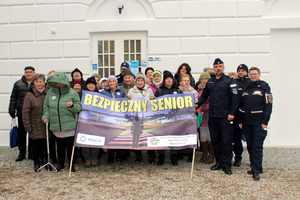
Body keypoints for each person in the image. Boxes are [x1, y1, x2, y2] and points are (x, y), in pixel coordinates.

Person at [196, 58, 239, 175]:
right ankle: (219, 162)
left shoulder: (230, 81)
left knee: (226, 141)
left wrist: (232, 113)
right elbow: (204, 96)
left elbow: (235, 99)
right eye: (216, 67)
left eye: (220, 66)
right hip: (213, 116)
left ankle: (227, 164)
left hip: (225, 117)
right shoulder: (210, 82)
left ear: (223, 67)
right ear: (213, 68)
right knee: (215, 141)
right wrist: (197, 105)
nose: (218, 68)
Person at [42, 73, 82, 173]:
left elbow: (79, 107)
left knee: (69, 147)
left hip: (69, 125)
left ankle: (71, 164)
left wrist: (72, 106)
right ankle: (61, 164)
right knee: (59, 147)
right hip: (56, 124)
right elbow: (46, 106)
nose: (57, 84)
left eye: (59, 83)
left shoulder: (72, 92)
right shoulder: (50, 92)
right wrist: (46, 116)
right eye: (55, 83)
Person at [239, 67, 272, 181]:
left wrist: (264, 122)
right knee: (250, 146)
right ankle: (255, 166)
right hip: (247, 122)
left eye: (255, 74)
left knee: (257, 146)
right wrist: (240, 121)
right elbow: (242, 105)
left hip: (258, 122)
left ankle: (256, 170)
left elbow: (268, 106)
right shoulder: (247, 88)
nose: (253, 76)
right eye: (251, 74)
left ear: (259, 75)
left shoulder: (264, 87)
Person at [155, 70, 183, 166]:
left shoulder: (178, 91)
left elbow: (183, 103)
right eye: (167, 78)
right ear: (164, 80)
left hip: (174, 119)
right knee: (161, 136)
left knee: (173, 136)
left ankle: (173, 156)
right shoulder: (160, 91)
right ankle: (161, 155)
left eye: (170, 78)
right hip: (162, 118)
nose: (169, 80)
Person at [22, 74, 48, 172]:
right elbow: (25, 112)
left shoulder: (48, 93)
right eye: (37, 81)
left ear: (44, 82)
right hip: (35, 124)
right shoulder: (29, 95)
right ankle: (36, 163)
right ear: (34, 83)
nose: (39, 83)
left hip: (45, 124)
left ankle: (46, 162)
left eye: (41, 81)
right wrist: (28, 126)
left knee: (46, 145)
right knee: (36, 146)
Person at [9, 66, 36, 162]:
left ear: (34, 73)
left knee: (32, 133)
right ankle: (22, 153)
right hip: (21, 112)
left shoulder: (37, 83)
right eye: (27, 72)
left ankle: (31, 153)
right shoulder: (18, 84)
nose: (28, 73)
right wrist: (12, 109)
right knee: (22, 134)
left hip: (33, 113)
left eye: (30, 72)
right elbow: (13, 97)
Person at [127, 73, 155, 164]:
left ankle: (151, 157)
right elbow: (127, 104)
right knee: (137, 137)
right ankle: (138, 156)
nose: (139, 82)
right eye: (138, 80)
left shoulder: (149, 90)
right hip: (137, 117)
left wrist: (153, 99)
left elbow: (153, 103)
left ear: (144, 81)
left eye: (141, 80)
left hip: (147, 117)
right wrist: (127, 98)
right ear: (136, 81)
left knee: (149, 136)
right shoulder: (131, 91)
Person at [100, 75, 126, 164]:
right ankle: (110, 157)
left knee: (119, 136)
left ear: (116, 82)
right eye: (110, 81)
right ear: (107, 83)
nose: (112, 83)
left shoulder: (121, 92)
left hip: (119, 118)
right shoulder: (103, 92)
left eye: (113, 81)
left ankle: (118, 156)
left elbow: (125, 104)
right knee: (110, 137)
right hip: (109, 118)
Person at [232, 64, 251, 167]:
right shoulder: (235, 83)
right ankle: (238, 158)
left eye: (243, 70)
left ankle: (253, 159)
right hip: (237, 114)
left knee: (250, 139)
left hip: (248, 115)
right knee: (236, 139)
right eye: (239, 71)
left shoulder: (250, 83)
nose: (241, 72)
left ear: (246, 72)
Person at [178, 74, 198, 162]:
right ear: (180, 82)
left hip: (190, 116)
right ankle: (180, 153)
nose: (186, 82)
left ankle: (191, 154)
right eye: (184, 80)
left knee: (190, 134)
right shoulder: (177, 91)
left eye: (188, 80)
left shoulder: (194, 92)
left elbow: (196, 104)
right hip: (179, 117)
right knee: (180, 133)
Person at [81, 77, 100, 167]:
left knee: (95, 139)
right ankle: (87, 158)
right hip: (85, 120)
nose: (91, 85)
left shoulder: (99, 95)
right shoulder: (82, 94)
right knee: (85, 139)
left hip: (96, 121)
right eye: (89, 84)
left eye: (92, 84)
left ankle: (94, 157)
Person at [196, 72, 215, 164]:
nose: (204, 80)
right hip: (202, 117)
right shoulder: (198, 90)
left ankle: (211, 154)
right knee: (203, 136)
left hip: (210, 115)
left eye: (206, 79)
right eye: (202, 78)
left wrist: (204, 106)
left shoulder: (212, 89)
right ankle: (204, 153)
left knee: (211, 136)